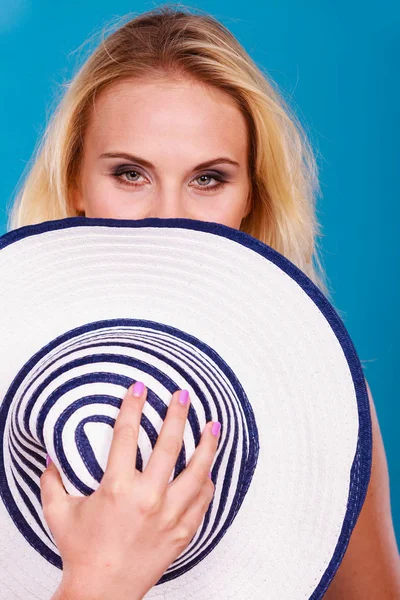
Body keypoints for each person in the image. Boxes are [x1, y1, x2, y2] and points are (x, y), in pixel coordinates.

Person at [7, 4, 400, 599]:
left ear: (251, 200)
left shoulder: (323, 395)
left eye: (209, 179)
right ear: (75, 186)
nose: (169, 220)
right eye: (130, 174)